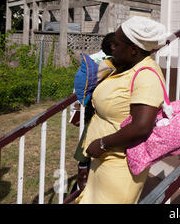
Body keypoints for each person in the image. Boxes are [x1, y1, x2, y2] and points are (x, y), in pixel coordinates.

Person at [75, 16, 167, 204]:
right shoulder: (126, 66)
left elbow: (141, 127)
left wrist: (101, 144)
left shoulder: (146, 76)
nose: (112, 48)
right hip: (104, 159)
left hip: (119, 166)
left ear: (134, 49)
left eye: (116, 44)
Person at [71, 32, 116, 192]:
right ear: (113, 47)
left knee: (89, 136)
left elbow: (80, 86)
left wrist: (75, 110)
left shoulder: (97, 59)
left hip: (93, 106)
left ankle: (84, 171)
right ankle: (84, 172)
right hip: (97, 107)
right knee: (90, 137)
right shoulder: (109, 63)